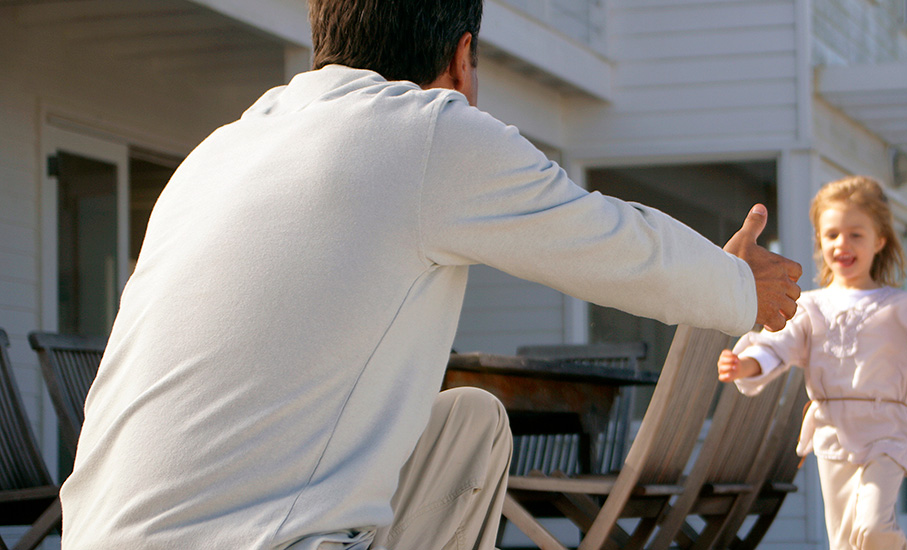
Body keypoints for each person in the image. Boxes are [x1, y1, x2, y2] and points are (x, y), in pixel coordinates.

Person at [58, 1, 803, 548]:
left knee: (467, 423)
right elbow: (609, 242)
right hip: (252, 541)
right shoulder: (426, 130)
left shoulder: (220, 150)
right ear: (460, 55)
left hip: (97, 533)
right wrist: (740, 285)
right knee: (471, 427)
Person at [715, 176, 907, 550]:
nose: (843, 244)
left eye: (856, 234)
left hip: (887, 431)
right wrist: (745, 365)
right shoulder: (811, 305)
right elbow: (776, 346)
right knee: (844, 541)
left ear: (879, 240)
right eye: (832, 234)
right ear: (820, 240)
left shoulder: (904, 305)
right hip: (833, 432)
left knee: (871, 528)